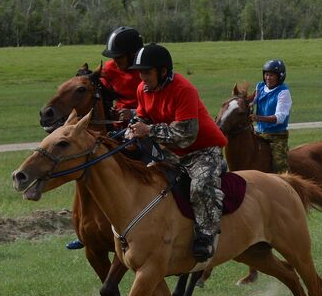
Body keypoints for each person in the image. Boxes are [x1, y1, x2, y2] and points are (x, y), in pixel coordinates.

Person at [126, 43, 228, 261]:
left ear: (163, 72)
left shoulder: (184, 90)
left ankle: (205, 237)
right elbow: (142, 117)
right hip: (173, 152)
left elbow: (186, 135)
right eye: (140, 72)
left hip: (202, 151)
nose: (142, 77)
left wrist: (149, 130)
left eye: (147, 72)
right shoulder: (142, 90)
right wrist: (133, 130)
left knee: (200, 186)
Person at [68, 25, 146, 251]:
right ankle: (85, 227)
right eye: (113, 57)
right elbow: (96, 90)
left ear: (133, 54)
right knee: (86, 167)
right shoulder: (110, 69)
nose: (115, 62)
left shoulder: (145, 72)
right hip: (115, 128)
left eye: (119, 57)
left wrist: (133, 112)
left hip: (143, 127)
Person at [252, 59, 292, 172]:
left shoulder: (283, 92)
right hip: (259, 133)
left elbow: (279, 118)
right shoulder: (260, 86)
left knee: (279, 165)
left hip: (277, 136)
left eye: (272, 75)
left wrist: (258, 118)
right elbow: (253, 100)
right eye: (266, 74)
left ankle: (287, 182)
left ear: (280, 76)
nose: (268, 78)